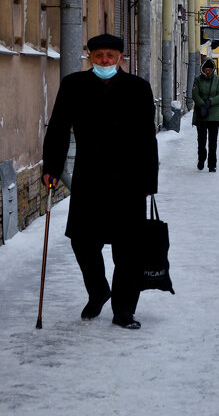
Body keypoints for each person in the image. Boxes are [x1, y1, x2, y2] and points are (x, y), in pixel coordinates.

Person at [42, 33, 158, 330]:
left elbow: (147, 137)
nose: (104, 61)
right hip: (89, 176)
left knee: (127, 249)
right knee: (82, 241)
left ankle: (124, 310)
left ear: (121, 58)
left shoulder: (138, 88)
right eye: (98, 56)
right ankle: (98, 291)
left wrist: (149, 180)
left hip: (128, 179)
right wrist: (52, 167)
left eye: (110, 56)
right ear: (89, 57)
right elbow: (58, 128)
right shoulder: (73, 85)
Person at [191, 57, 219, 172]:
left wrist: (210, 101)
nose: (208, 71)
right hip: (201, 114)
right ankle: (201, 158)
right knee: (201, 141)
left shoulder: (218, 80)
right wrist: (202, 104)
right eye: (206, 69)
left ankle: (212, 164)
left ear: (213, 69)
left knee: (213, 141)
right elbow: (194, 94)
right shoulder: (197, 80)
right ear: (202, 69)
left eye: (210, 69)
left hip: (214, 115)